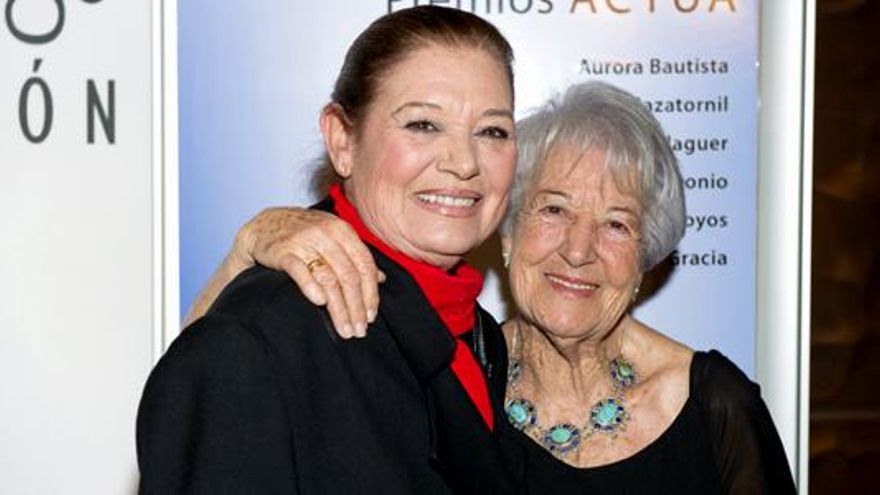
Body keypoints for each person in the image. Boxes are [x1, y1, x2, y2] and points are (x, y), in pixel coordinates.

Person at [190, 82, 797, 493]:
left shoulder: (716, 407)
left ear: (645, 257)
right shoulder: (444, 372)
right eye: (553, 210)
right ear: (507, 230)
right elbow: (209, 410)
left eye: (616, 224)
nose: (578, 250)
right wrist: (248, 246)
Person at [137, 6, 523, 493]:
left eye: (492, 131)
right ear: (342, 140)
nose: (464, 163)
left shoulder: (477, 336)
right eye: (423, 125)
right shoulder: (264, 333)